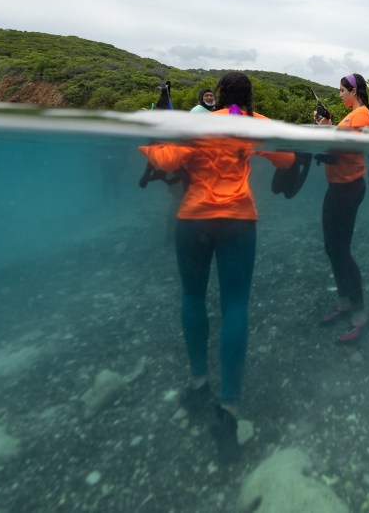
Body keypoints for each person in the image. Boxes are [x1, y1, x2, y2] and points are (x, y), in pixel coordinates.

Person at [139, 72, 294, 464]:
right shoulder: (255, 124)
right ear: (249, 95)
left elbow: (164, 158)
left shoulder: (204, 123)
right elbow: (287, 157)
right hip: (239, 221)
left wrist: (147, 134)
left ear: (219, 96)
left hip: (193, 220)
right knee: (235, 307)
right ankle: (229, 410)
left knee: (192, 296)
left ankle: (198, 382)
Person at [316, 73, 369, 342]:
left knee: (341, 250)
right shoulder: (350, 116)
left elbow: (342, 147)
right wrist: (327, 125)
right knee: (332, 248)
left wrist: (325, 133)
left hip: (347, 188)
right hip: (338, 186)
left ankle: (359, 314)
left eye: (342, 90)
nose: (340, 95)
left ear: (353, 90)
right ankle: (345, 302)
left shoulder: (360, 115)